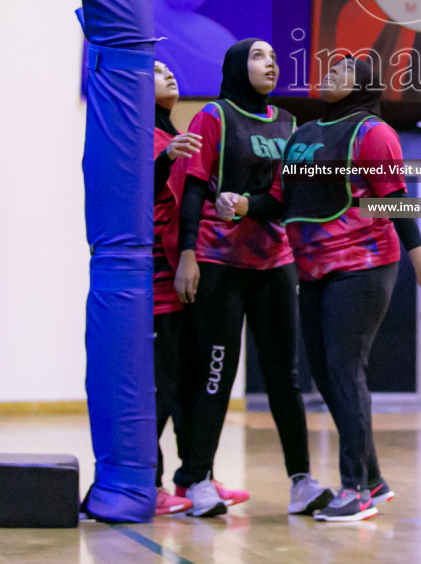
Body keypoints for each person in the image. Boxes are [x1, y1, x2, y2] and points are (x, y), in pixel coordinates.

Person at [221, 55, 421, 522]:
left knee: (346, 371)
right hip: (313, 270)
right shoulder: (304, 136)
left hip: (363, 265)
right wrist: (246, 204)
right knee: (328, 377)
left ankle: (356, 491)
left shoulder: (373, 133)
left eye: (344, 70)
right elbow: (282, 201)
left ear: (363, 83)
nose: (330, 72)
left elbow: (394, 200)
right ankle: (374, 479)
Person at [173, 39, 333, 518]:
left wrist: (248, 204)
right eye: (260, 56)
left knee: (285, 376)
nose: (272, 62)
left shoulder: (289, 124)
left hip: (275, 263)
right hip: (219, 263)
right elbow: (193, 188)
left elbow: (288, 197)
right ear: (238, 66)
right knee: (215, 372)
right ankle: (198, 479)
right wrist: (187, 254)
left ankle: (301, 481)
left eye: (273, 56)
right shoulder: (213, 117)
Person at [149, 61, 250, 515]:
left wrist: (221, 198)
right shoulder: (139, 137)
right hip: (153, 281)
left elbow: (192, 192)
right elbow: (134, 193)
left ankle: (194, 477)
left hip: (184, 276)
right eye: (154, 70)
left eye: (171, 68)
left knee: (189, 384)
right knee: (159, 388)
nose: (169, 74)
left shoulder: (175, 136)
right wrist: (165, 159)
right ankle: (145, 483)